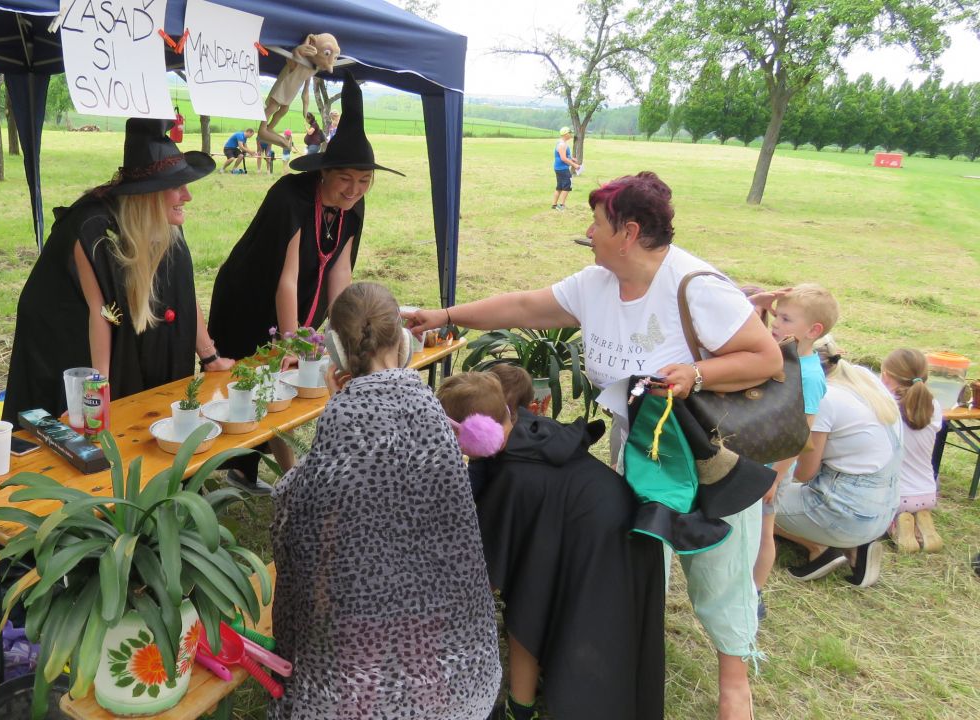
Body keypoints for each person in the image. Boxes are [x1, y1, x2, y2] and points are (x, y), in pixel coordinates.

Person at [405, 171, 782, 720]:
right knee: (642, 564)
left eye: (597, 222)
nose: (588, 231)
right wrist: (446, 317)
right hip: (643, 454)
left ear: (629, 232)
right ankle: (628, 667)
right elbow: (525, 306)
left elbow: (765, 357)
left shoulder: (697, 287)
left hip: (708, 455)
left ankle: (734, 684)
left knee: (719, 573)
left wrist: (696, 374)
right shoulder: (597, 284)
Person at [269, 282, 501, 720]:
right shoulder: (430, 407)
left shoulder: (344, 414)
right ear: (404, 341)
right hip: (438, 630)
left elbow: (300, 516)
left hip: (357, 632)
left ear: (337, 353)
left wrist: (337, 406)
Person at [438, 370, 664, 720]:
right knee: (532, 590)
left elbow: (489, 578)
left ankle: (520, 708)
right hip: (618, 525)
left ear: (473, 432)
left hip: (606, 545)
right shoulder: (530, 433)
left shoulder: (514, 477)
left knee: (528, 601)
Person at [208, 72, 401, 481]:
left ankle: (288, 477)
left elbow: (340, 271)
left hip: (298, 301)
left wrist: (347, 334)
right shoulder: (290, 197)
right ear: (324, 172)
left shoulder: (354, 207)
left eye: (364, 181)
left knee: (287, 385)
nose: (354, 190)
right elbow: (286, 277)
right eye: (345, 178)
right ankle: (243, 469)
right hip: (249, 300)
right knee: (255, 385)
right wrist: (290, 342)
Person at [1, 118, 232, 423]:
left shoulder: (166, 224)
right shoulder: (93, 232)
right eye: (177, 187)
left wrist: (210, 357)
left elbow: (184, 294)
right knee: (84, 422)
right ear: (150, 194)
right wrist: (97, 392)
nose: (187, 196)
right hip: (63, 330)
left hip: (113, 323)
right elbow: (103, 313)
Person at [774, 335, 903, 587]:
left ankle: (820, 548)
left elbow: (804, 473)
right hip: (884, 511)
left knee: (753, 503)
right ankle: (855, 548)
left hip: (846, 514)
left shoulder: (824, 399)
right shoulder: (864, 379)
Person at [749, 283, 837, 617]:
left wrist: (775, 476)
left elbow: (801, 432)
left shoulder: (809, 376)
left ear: (813, 331)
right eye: (777, 315)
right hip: (754, 460)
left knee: (763, 531)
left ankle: (753, 594)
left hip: (772, 469)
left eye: (786, 319)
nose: (776, 323)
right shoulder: (778, 355)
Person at [880, 348, 944, 553]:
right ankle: (920, 522)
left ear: (885, 376)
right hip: (928, 491)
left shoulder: (885, 406)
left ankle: (895, 525)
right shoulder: (933, 405)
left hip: (896, 495)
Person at [552, 126, 581, 212]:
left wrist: (572, 158)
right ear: (565, 134)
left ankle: (554, 205)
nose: (571, 134)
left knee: (560, 187)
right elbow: (563, 158)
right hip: (562, 168)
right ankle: (562, 205)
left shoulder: (562, 143)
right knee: (567, 186)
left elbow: (565, 156)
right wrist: (574, 165)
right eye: (569, 133)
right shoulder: (562, 144)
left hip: (560, 168)